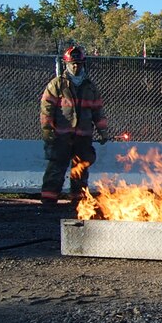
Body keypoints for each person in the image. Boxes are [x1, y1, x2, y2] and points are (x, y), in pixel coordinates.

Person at [40, 45, 110, 206]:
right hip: (61, 135)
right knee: (56, 167)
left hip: (83, 136)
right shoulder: (57, 85)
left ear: (83, 64)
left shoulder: (90, 87)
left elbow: (98, 111)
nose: (76, 66)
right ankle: (49, 200)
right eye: (73, 63)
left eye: (78, 63)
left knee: (81, 169)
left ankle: (78, 202)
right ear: (66, 64)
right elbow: (46, 109)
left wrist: (103, 131)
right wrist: (47, 130)